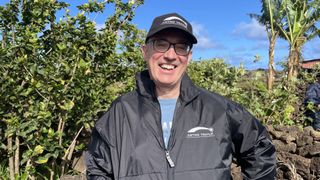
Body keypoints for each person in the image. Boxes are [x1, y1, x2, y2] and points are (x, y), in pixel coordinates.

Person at [86, 12, 277, 180]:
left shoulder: (219, 110)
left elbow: (259, 148)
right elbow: (99, 168)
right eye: (161, 44)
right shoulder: (121, 112)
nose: (171, 55)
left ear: (189, 57)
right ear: (145, 52)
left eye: (181, 47)